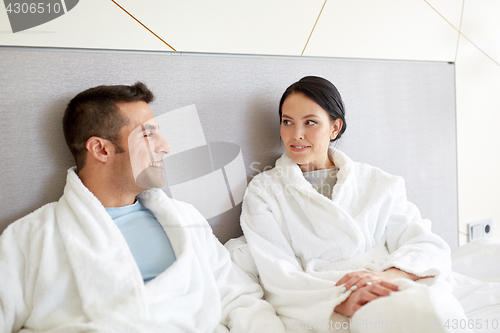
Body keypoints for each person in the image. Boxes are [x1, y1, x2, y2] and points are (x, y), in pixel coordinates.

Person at [0, 82, 286, 333]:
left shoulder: (185, 220)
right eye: (148, 135)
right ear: (101, 150)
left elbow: (240, 299)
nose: (165, 147)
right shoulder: (31, 237)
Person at [237, 76, 469, 332]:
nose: (296, 134)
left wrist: (386, 277)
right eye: (287, 122)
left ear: (335, 128)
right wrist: (342, 300)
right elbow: (277, 274)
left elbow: (426, 245)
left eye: (310, 122)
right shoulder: (264, 191)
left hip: (391, 280)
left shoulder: (379, 183)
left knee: (433, 310)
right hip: (329, 295)